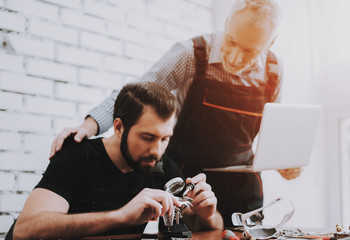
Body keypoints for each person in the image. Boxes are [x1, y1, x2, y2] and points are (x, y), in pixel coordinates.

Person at [49, 0, 301, 226]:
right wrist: (89, 126)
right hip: (188, 180)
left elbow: (273, 132)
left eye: (250, 51)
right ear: (226, 23)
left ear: (271, 43)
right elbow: (134, 93)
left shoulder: (274, 70)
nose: (236, 58)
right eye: (232, 41)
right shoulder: (191, 54)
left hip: (243, 187)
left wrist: (285, 162)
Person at [11, 82, 223, 240]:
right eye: (147, 137)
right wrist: (120, 216)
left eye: (165, 139)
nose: (157, 150)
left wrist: (207, 214)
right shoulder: (77, 156)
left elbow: (199, 222)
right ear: (119, 127)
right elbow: (25, 229)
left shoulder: (162, 165)